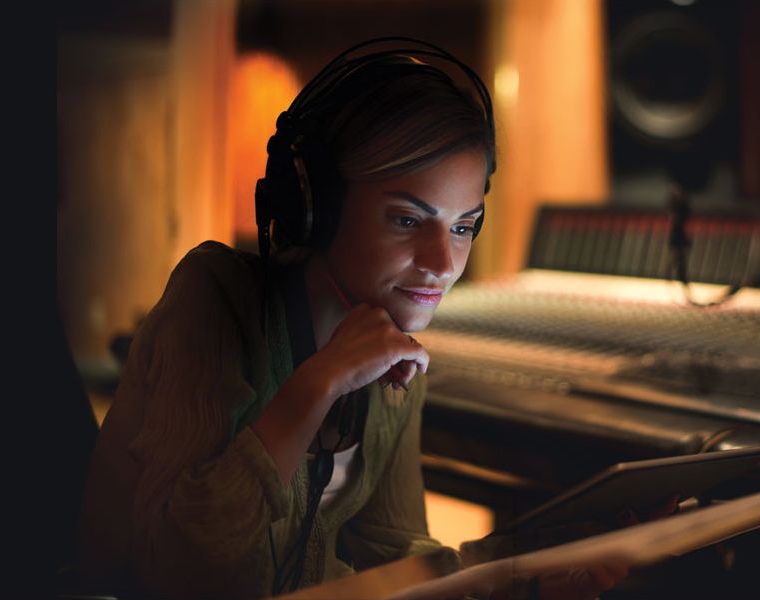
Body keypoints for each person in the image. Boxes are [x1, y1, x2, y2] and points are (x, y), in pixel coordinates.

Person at [76, 37, 631, 600]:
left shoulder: (395, 361)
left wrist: (531, 581)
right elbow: (173, 570)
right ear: (313, 207)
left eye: (463, 227)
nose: (443, 264)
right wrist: (320, 381)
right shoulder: (216, 297)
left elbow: (394, 558)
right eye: (408, 221)